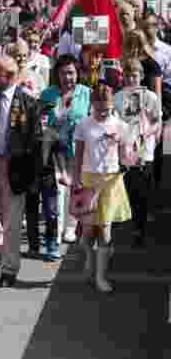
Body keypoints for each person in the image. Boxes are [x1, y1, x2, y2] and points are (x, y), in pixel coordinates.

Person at [0, 55, 42, 288]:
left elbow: (35, 142)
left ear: (10, 76)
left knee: (12, 222)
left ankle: (9, 270)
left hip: (15, 168)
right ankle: (0, 248)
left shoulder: (29, 103)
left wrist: (33, 178)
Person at [72, 82, 132, 293]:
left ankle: (100, 277)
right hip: (89, 180)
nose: (102, 113)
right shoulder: (83, 125)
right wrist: (76, 179)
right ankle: (90, 258)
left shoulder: (120, 126)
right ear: (92, 105)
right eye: (99, 109)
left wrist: (124, 151)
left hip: (111, 181)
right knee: (88, 231)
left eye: (106, 109)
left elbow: (127, 158)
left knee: (105, 232)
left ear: (111, 104)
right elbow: (78, 155)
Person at [38, 55, 92, 249]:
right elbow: (41, 120)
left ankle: (71, 226)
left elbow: (92, 120)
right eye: (63, 73)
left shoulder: (87, 93)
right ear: (57, 74)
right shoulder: (48, 94)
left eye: (71, 73)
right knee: (57, 191)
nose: (67, 77)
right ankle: (56, 229)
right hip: (55, 150)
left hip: (79, 149)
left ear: (77, 74)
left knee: (75, 188)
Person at [114, 59, 161, 247]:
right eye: (127, 75)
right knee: (125, 189)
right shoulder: (118, 97)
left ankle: (139, 230)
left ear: (141, 76)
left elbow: (157, 122)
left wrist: (147, 133)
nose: (131, 79)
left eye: (134, 75)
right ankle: (124, 225)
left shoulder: (150, 97)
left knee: (142, 192)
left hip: (144, 151)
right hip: (124, 151)